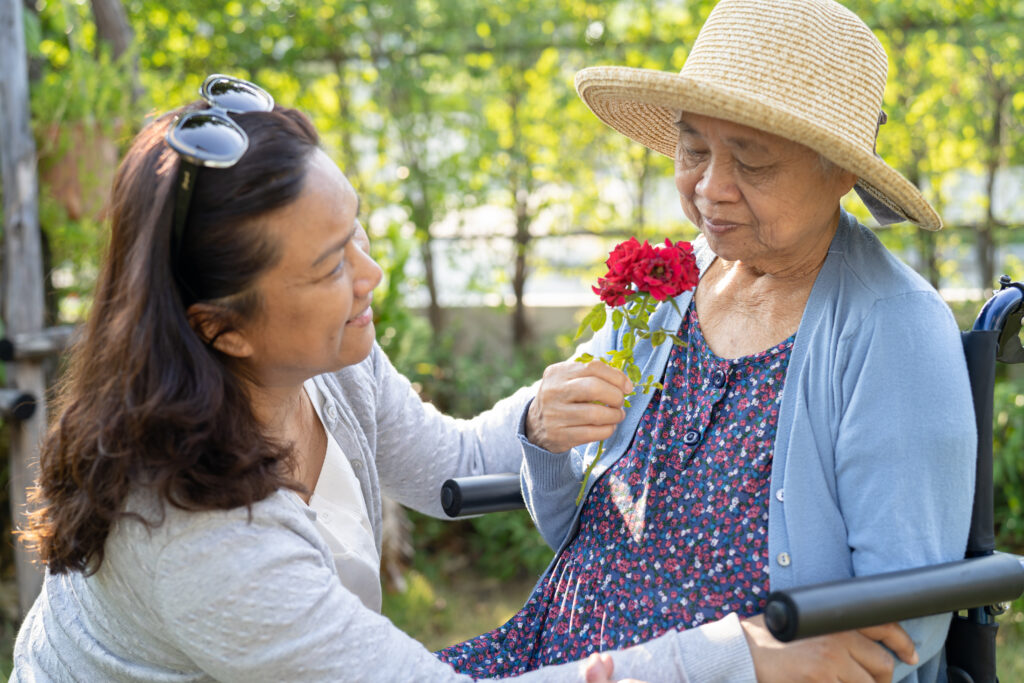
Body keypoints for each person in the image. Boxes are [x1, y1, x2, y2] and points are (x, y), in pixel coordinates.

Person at [11, 74, 918, 683]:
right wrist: (743, 656)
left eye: (356, 231)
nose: (372, 276)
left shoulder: (329, 364)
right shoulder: (196, 540)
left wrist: (540, 413)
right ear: (221, 329)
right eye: (330, 266)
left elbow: (443, 465)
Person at [437, 1, 975, 682]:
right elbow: (574, 531)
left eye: (751, 161)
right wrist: (545, 441)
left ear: (840, 171)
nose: (710, 188)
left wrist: (713, 661)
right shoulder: (671, 285)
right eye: (694, 150)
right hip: (559, 649)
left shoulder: (895, 330)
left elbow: (901, 628)